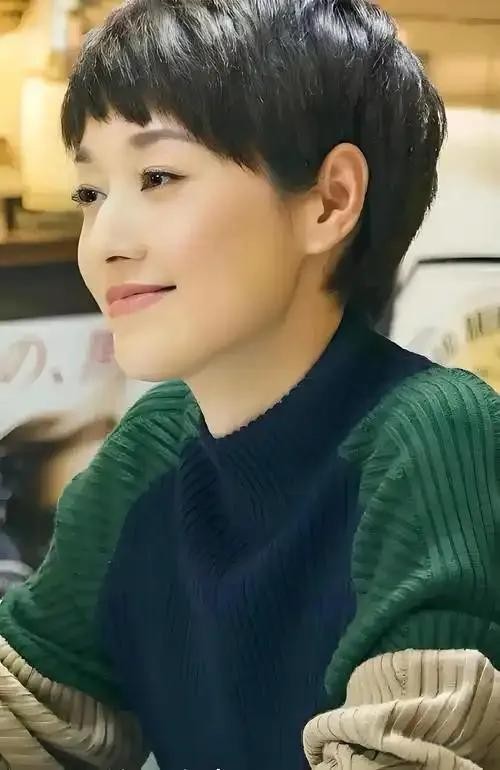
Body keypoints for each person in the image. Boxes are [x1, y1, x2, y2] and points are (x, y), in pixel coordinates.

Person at [0, 0, 498, 768]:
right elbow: (34, 713)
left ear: (330, 200)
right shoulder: (152, 447)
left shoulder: (433, 436)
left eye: (158, 176)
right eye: (90, 193)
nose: (103, 244)